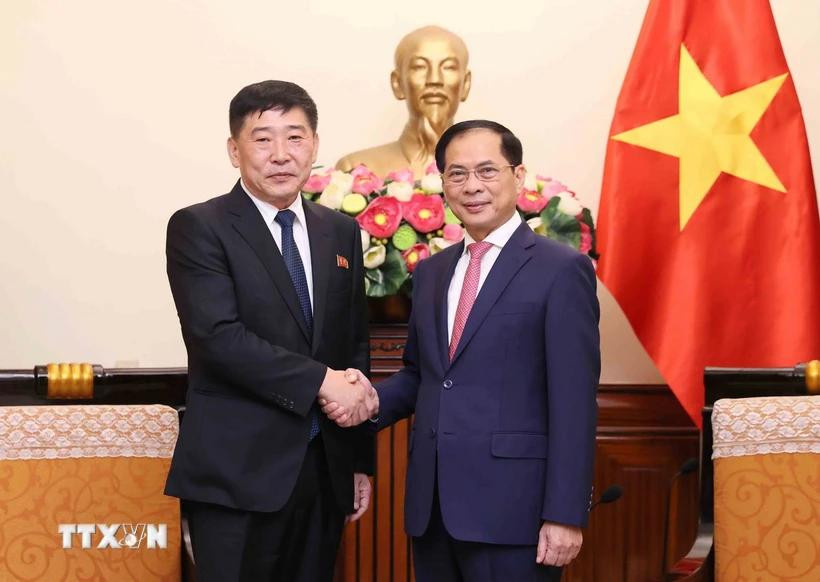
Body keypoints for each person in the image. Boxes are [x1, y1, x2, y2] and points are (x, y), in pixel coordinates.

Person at [323, 120, 600, 581]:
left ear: (518, 175)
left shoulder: (561, 269)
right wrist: (365, 401)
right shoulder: (432, 273)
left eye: (487, 171)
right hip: (433, 511)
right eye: (457, 174)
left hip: (517, 514)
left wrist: (566, 513)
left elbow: (574, 401)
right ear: (443, 185)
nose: (472, 186)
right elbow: (422, 375)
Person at [164, 80, 378, 582]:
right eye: (262, 139)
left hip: (323, 470)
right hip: (238, 474)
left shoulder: (339, 230)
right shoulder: (200, 227)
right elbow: (218, 340)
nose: (281, 154)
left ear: (315, 146)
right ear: (234, 150)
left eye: (295, 137)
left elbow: (354, 344)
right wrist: (321, 381)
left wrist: (358, 457)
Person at [336, 25, 472, 179]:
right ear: (397, 83)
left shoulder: (495, 170)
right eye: (419, 67)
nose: (435, 80)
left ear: (466, 84)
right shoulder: (357, 169)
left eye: (449, 67)